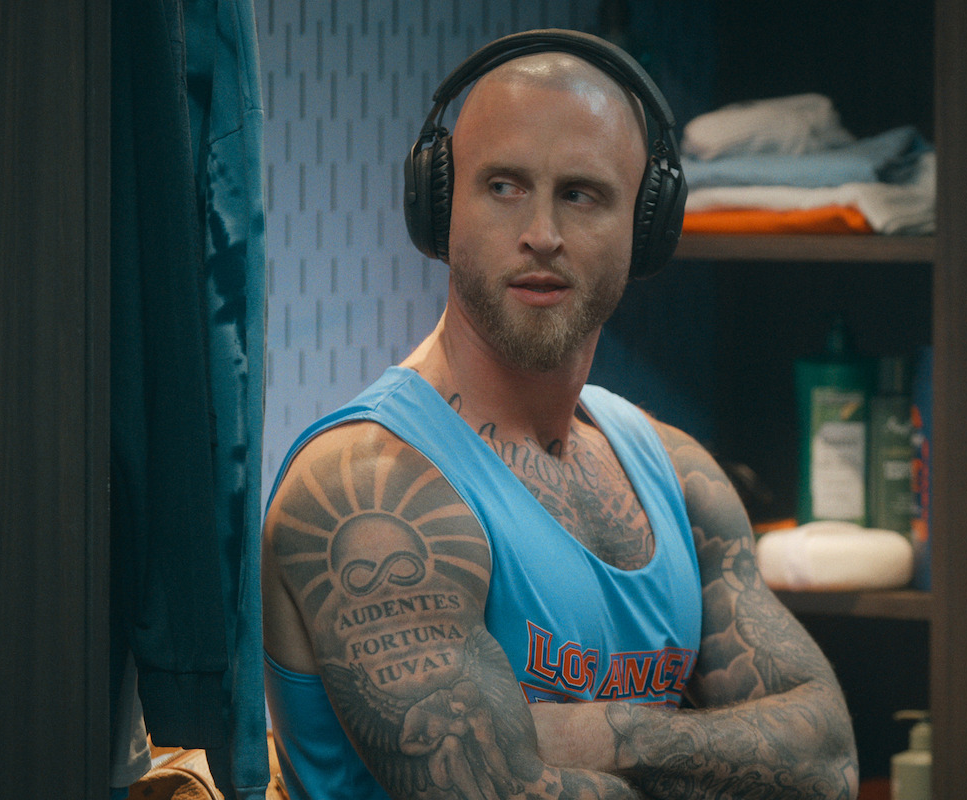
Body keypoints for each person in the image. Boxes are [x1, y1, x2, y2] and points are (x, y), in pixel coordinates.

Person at [261, 28, 858, 800]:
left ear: (645, 227)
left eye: (581, 194)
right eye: (503, 186)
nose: (541, 234)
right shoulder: (367, 493)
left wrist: (596, 733)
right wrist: (714, 761)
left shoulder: (678, 476)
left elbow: (828, 765)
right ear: (439, 207)